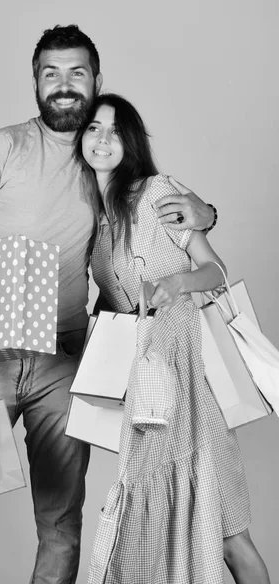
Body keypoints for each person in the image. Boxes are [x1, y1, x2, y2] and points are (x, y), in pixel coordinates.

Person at [0, 26, 216, 584]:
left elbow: (162, 208)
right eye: (51, 73)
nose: (64, 85)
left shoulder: (102, 159)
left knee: (60, 522)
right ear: (35, 83)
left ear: (97, 80)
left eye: (77, 72)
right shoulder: (5, 147)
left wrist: (205, 210)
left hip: (66, 364)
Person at [75, 93, 271, 583]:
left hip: (190, 385)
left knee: (230, 535)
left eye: (114, 131)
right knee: (154, 530)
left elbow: (214, 270)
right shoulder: (94, 223)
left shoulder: (158, 192)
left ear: (131, 142)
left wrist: (176, 283)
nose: (102, 139)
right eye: (93, 128)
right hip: (147, 396)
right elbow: (113, 305)